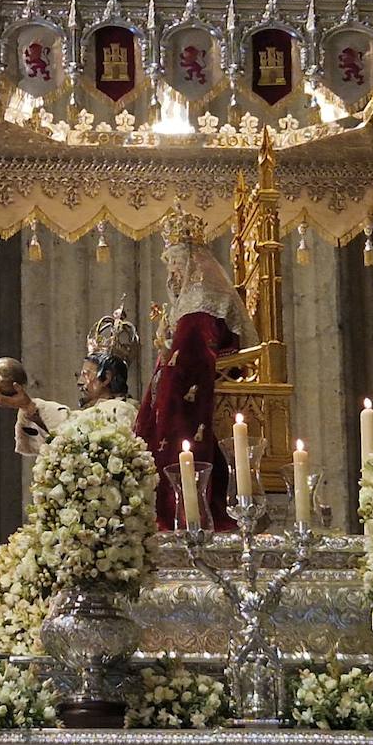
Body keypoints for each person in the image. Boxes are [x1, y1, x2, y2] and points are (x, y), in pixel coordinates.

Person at [135, 205, 260, 530]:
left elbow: (191, 360)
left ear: (192, 263)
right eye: (170, 263)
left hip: (193, 395)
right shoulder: (187, 308)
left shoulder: (200, 309)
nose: (172, 272)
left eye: (176, 262)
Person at [0, 302, 140, 456]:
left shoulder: (121, 410)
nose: (80, 382)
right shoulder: (93, 414)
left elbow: (71, 433)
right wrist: (28, 407)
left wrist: (29, 405)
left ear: (106, 378)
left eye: (86, 374)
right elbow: (61, 439)